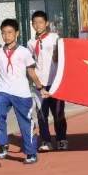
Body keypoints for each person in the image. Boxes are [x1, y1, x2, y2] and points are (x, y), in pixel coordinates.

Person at [0, 18, 48, 164]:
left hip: (22, 93)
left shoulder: (24, 52)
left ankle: (31, 153)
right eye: (3, 33)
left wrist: (40, 88)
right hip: (3, 90)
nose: (6, 36)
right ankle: (3, 144)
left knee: (25, 122)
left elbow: (31, 72)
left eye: (9, 32)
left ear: (17, 33)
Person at [28, 11, 68, 152]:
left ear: (47, 23)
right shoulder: (31, 43)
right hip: (39, 85)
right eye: (34, 23)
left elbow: (61, 56)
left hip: (55, 83)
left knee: (58, 113)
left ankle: (62, 139)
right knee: (41, 115)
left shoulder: (55, 38)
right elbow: (31, 63)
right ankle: (46, 141)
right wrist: (37, 84)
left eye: (40, 22)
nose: (37, 25)